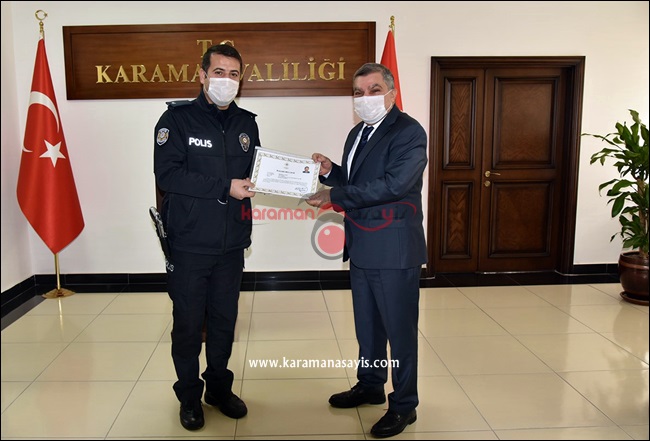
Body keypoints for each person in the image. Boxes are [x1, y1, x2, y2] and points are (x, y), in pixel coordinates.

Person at [306, 62, 427, 438]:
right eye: (358, 93)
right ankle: (371, 385)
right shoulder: (357, 132)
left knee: (399, 332)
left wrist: (334, 196)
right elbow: (357, 180)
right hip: (361, 245)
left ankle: (404, 404)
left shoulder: (409, 132)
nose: (365, 98)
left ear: (391, 93)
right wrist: (331, 172)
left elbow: (393, 185)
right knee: (369, 327)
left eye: (374, 90)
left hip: (394, 249)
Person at [153, 43, 258, 431]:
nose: (226, 80)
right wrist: (224, 187)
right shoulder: (176, 120)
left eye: (233, 74)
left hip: (231, 244)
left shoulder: (247, 122)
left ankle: (218, 388)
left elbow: (255, 172)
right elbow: (168, 175)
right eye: (218, 72)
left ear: (241, 79)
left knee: (224, 321)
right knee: (187, 324)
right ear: (202, 75)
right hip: (190, 243)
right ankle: (189, 396)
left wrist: (291, 177)